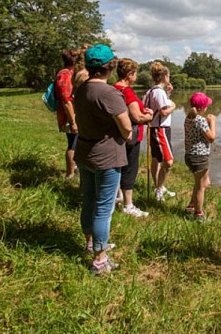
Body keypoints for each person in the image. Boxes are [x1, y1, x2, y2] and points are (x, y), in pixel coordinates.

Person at [73, 44, 133, 275]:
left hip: (85, 153)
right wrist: (126, 133)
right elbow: (126, 128)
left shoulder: (81, 89)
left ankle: (90, 243)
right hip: (107, 156)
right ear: (110, 67)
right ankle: (99, 259)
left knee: (88, 199)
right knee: (103, 208)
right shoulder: (109, 93)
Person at [113, 58, 154, 218]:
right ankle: (128, 205)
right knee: (130, 168)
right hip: (131, 135)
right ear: (129, 74)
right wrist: (148, 115)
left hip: (117, 135)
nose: (136, 76)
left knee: (118, 166)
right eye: (135, 73)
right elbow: (136, 116)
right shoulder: (127, 91)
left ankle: (118, 196)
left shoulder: (113, 88)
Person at [143, 61, 177, 202]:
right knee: (168, 162)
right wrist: (173, 105)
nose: (169, 78)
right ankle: (158, 189)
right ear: (164, 76)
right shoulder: (159, 92)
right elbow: (163, 111)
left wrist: (168, 94)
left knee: (156, 158)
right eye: (168, 75)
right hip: (160, 130)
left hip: (154, 129)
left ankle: (159, 186)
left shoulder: (151, 91)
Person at [183, 92, 216, 221]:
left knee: (201, 183)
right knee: (201, 186)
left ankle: (191, 206)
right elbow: (211, 138)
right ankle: (198, 214)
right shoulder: (200, 120)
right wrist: (212, 122)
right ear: (202, 108)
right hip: (199, 157)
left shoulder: (189, 117)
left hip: (190, 155)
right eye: (207, 105)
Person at [54, 48, 78, 179]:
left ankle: (75, 170)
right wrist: (73, 122)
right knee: (73, 143)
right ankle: (70, 174)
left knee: (75, 142)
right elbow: (66, 100)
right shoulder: (66, 75)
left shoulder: (68, 73)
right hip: (70, 115)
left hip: (72, 114)